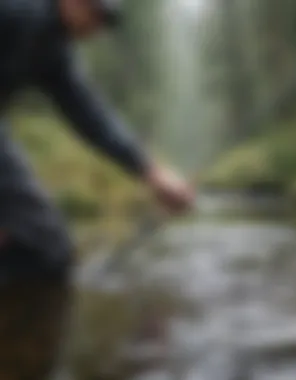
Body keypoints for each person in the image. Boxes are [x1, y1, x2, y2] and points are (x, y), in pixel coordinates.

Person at [0, 0, 195, 378]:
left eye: (108, 19)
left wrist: (152, 173)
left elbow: (88, 113)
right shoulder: (17, 10)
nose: (101, 25)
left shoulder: (53, 47)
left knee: (49, 251)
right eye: (98, 13)